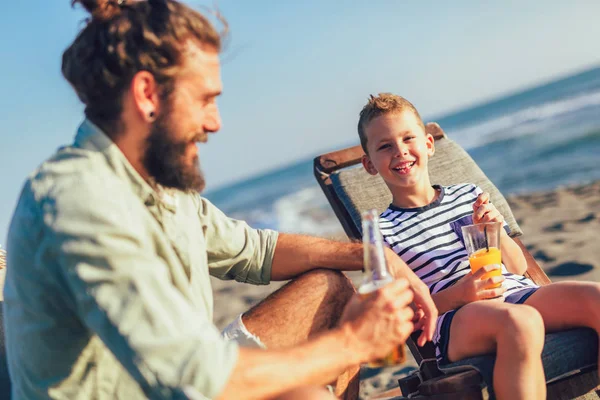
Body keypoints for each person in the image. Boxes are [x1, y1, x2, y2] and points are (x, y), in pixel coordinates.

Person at [2, 2, 439, 400]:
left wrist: (372, 254)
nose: (216, 122)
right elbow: (190, 376)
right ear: (147, 95)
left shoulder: (162, 188)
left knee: (329, 286)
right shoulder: (77, 201)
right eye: (206, 100)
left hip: (189, 374)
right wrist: (356, 341)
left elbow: (257, 250)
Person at [357, 92, 600, 400]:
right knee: (520, 322)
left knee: (597, 298)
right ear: (369, 164)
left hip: (515, 292)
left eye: (408, 139)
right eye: (385, 146)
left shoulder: (468, 195)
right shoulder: (381, 231)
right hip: (454, 319)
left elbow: (517, 267)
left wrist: (495, 232)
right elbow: (406, 312)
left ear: (428, 145)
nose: (400, 152)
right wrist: (461, 294)